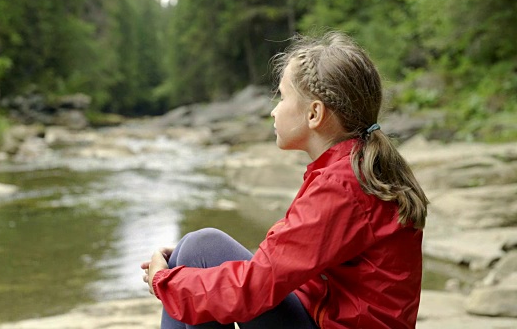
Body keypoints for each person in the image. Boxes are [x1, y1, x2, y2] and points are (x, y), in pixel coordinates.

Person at [141, 31, 429, 329]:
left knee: (198, 251)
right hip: (320, 315)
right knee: (196, 249)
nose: (273, 110)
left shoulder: (343, 186)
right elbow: (282, 266)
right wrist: (186, 270)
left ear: (314, 113)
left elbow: (252, 289)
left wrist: (164, 281)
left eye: (282, 96)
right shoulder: (349, 170)